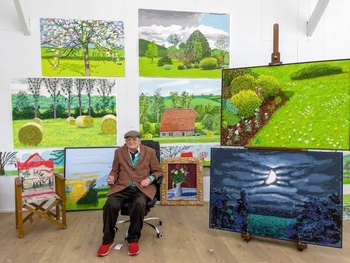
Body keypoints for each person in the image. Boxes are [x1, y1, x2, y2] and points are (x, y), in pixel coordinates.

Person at [97, 130, 162, 257]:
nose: (131, 142)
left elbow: (158, 171)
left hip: (141, 188)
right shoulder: (119, 152)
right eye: (128, 140)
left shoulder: (150, 152)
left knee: (138, 205)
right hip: (122, 186)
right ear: (125, 142)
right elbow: (115, 170)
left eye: (134, 140)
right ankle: (107, 240)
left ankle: (132, 239)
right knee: (110, 205)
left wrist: (150, 179)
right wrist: (111, 177)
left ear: (139, 141)